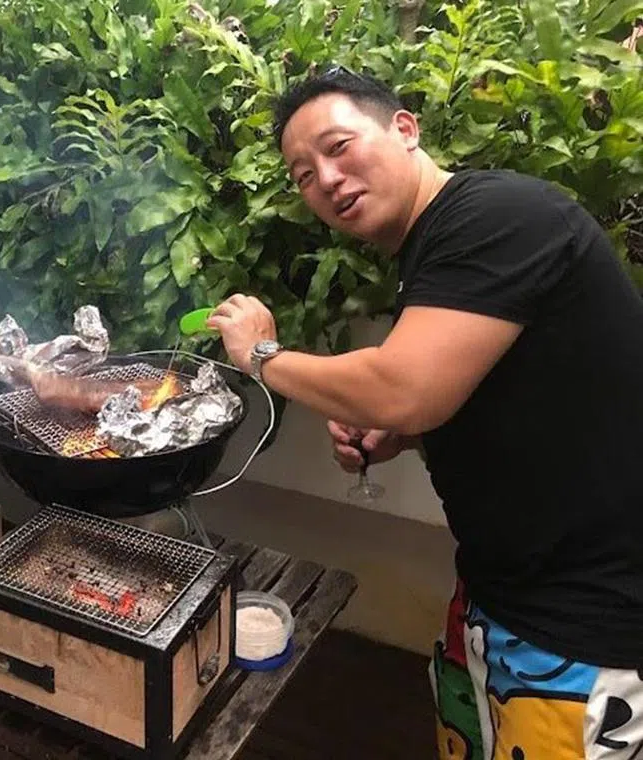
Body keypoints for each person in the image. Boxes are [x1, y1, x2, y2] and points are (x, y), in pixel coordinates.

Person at [208, 68, 643, 759]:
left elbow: (401, 385)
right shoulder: (440, 244)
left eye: (339, 145)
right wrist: (404, 438)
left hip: (582, 623)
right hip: (496, 593)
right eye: (302, 175)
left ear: (404, 129)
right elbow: (501, 395)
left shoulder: (495, 217)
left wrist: (261, 356)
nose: (325, 178)